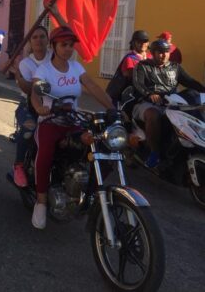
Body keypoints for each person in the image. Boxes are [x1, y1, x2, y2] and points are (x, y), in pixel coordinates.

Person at [30, 26, 114, 229]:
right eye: (63, 45)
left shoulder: (77, 68)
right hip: (50, 122)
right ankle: (41, 202)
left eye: (71, 45)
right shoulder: (44, 70)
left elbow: (92, 86)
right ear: (54, 46)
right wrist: (40, 107)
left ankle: (90, 193)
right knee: (46, 153)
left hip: (73, 122)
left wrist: (113, 108)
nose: (68, 49)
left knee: (101, 148)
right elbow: (35, 91)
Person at [132, 39, 205, 169]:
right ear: (153, 53)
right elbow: (138, 84)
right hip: (146, 103)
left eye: (166, 52)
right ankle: (154, 153)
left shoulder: (175, 68)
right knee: (153, 115)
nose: (164, 55)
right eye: (160, 52)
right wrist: (149, 94)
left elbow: (190, 82)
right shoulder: (143, 66)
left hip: (171, 103)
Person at [9, 26, 52, 188]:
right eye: (34, 37)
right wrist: (19, 78)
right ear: (30, 42)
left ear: (48, 40)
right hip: (29, 106)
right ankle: (18, 166)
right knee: (29, 129)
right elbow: (28, 90)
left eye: (42, 36)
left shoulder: (55, 57)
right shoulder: (26, 63)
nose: (39, 40)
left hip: (53, 105)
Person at [105, 30, 150, 105]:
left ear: (148, 43)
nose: (142, 44)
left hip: (146, 94)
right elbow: (130, 75)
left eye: (145, 41)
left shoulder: (150, 57)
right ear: (134, 43)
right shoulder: (129, 58)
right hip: (131, 95)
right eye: (139, 41)